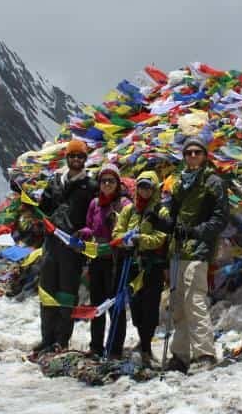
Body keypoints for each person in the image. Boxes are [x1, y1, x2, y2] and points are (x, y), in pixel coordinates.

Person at [165, 134, 228, 373]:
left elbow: (220, 218)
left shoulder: (213, 182)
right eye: (188, 153)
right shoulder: (180, 183)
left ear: (204, 156)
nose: (192, 156)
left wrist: (194, 231)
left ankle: (204, 354)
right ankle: (180, 355)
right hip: (178, 250)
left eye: (197, 152)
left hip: (199, 250)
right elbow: (173, 214)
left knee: (195, 302)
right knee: (178, 305)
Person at [34, 139, 98, 354]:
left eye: (80, 156)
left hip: (72, 249)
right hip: (51, 246)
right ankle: (46, 338)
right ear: (67, 158)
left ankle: (62, 340)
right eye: (73, 156)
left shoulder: (90, 186)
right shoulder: (54, 182)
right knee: (47, 291)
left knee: (67, 295)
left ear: (85, 159)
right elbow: (43, 208)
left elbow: (93, 216)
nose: (76, 160)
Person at [110, 170, 169, 366]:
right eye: (142, 186)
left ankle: (146, 346)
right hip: (132, 265)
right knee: (135, 306)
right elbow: (117, 232)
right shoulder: (129, 210)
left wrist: (140, 239)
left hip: (152, 266)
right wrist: (124, 240)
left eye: (148, 187)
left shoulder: (161, 211)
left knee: (150, 306)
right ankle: (142, 341)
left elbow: (161, 238)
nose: (145, 191)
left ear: (154, 189)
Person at [77, 162, 130, 357]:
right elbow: (91, 227)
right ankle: (96, 346)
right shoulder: (95, 204)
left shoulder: (124, 205)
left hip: (116, 261)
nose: (107, 184)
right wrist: (85, 232)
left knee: (115, 306)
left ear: (118, 183)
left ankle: (115, 349)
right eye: (104, 181)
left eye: (111, 181)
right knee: (97, 304)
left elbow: (128, 230)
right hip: (97, 259)